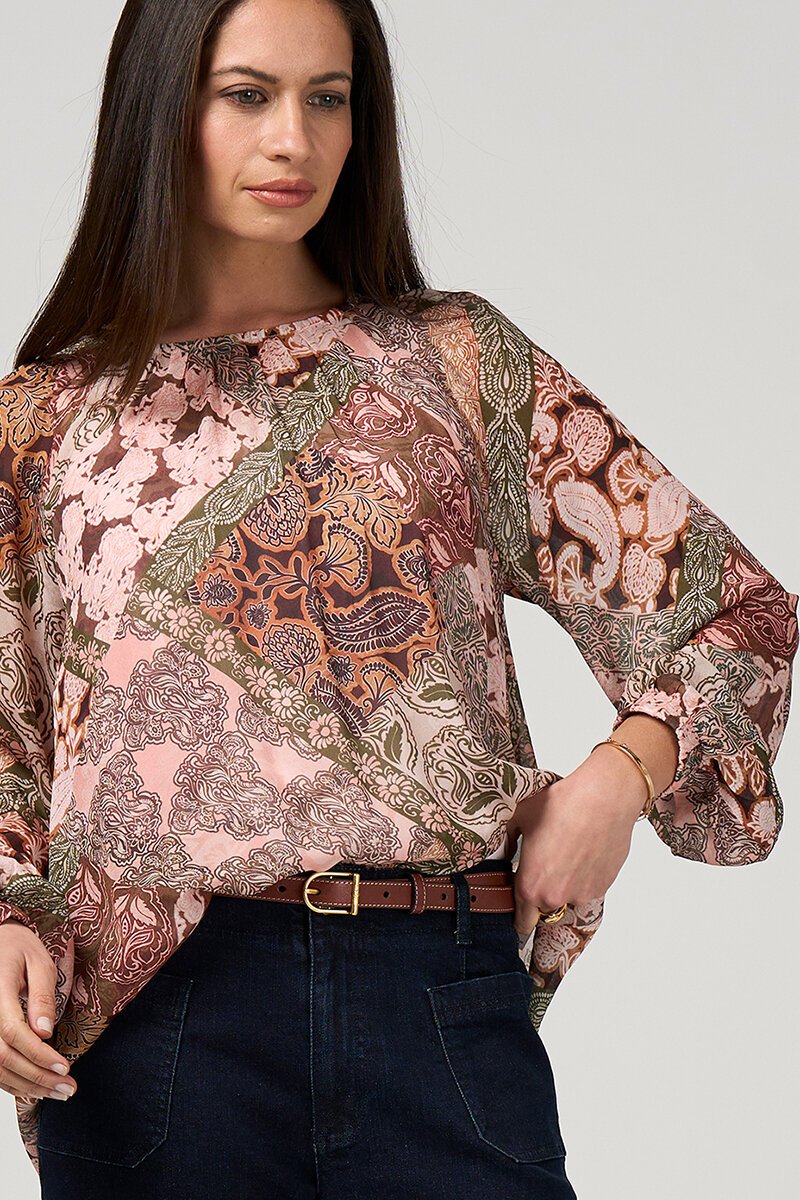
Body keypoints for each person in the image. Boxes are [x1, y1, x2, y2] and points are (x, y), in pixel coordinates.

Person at [0, 0, 796, 1196]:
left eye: (328, 98)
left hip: (430, 990)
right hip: (160, 1021)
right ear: (159, 107)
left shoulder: (454, 364)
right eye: (246, 94)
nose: (294, 139)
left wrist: (619, 776)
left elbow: (732, 611)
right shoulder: (43, 421)